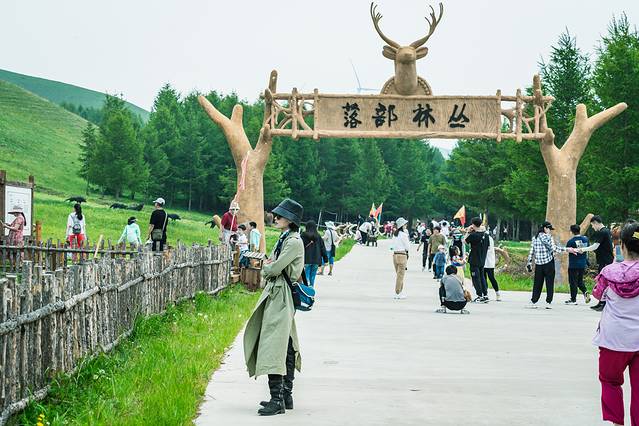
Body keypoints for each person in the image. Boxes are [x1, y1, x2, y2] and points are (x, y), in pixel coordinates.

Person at [243, 198, 304, 416]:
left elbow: (275, 267)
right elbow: (273, 264)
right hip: (277, 293)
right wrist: (269, 266)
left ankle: (277, 399)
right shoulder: (285, 237)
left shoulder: (293, 241)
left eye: (280, 216)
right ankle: (285, 396)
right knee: (285, 344)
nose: (275, 218)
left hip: (281, 295)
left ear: (290, 220)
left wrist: (266, 268)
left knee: (273, 344)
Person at [591, 221, 639, 426]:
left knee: (610, 382)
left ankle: (616, 423)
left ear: (622, 245)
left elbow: (597, 297)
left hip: (613, 340)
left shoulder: (608, 273)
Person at [525, 221, 574, 309]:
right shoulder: (549, 237)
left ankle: (533, 301)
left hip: (538, 264)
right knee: (549, 283)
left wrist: (529, 262)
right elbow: (554, 248)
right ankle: (548, 302)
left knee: (537, 284)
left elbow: (531, 251)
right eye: (549, 229)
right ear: (545, 228)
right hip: (548, 263)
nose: (550, 231)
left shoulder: (534, 238)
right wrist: (567, 249)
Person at [580, 215, 615, 312]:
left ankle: (603, 303)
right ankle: (601, 302)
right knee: (603, 282)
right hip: (606, 260)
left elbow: (595, 246)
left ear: (595, 223)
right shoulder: (607, 231)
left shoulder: (602, 232)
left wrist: (582, 249)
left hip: (605, 261)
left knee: (603, 283)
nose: (592, 227)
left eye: (592, 225)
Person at [465, 218, 490, 303]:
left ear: (473, 224)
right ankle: (485, 294)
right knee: (482, 277)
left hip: (474, 259)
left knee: (476, 278)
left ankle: (480, 295)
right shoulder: (486, 235)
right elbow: (488, 247)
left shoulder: (473, 235)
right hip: (482, 259)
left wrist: (468, 231)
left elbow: (465, 241)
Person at [565, 224, 591, 305]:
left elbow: (567, 250)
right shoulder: (585, 239)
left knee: (573, 282)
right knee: (579, 281)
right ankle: (585, 292)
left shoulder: (570, 242)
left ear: (572, 232)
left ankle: (573, 299)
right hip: (582, 264)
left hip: (573, 264)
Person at [300, 220, 328, 287]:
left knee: (306, 276)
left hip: (306, 259)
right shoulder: (318, 236)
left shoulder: (303, 235)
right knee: (313, 276)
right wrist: (326, 259)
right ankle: (311, 288)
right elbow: (323, 248)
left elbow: (300, 247)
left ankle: (306, 290)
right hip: (316, 260)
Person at [391, 217, 411, 299]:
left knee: (399, 275)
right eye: (405, 224)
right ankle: (397, 293)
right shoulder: (404, 235)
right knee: (400, 275)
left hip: (395, 255)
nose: (406, 225)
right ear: (402, 225)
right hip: (402, 255)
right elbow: (407, 247)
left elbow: (392, 246)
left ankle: (400, 292)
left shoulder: (395, 234)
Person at [484, 232, 502, 302]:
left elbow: (487, 248)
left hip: (489, 262)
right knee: (484, 279)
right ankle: (485, 294)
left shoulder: (489, 239)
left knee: (491, 278)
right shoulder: (484, 238)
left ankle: (497, 293)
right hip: (483, 262)